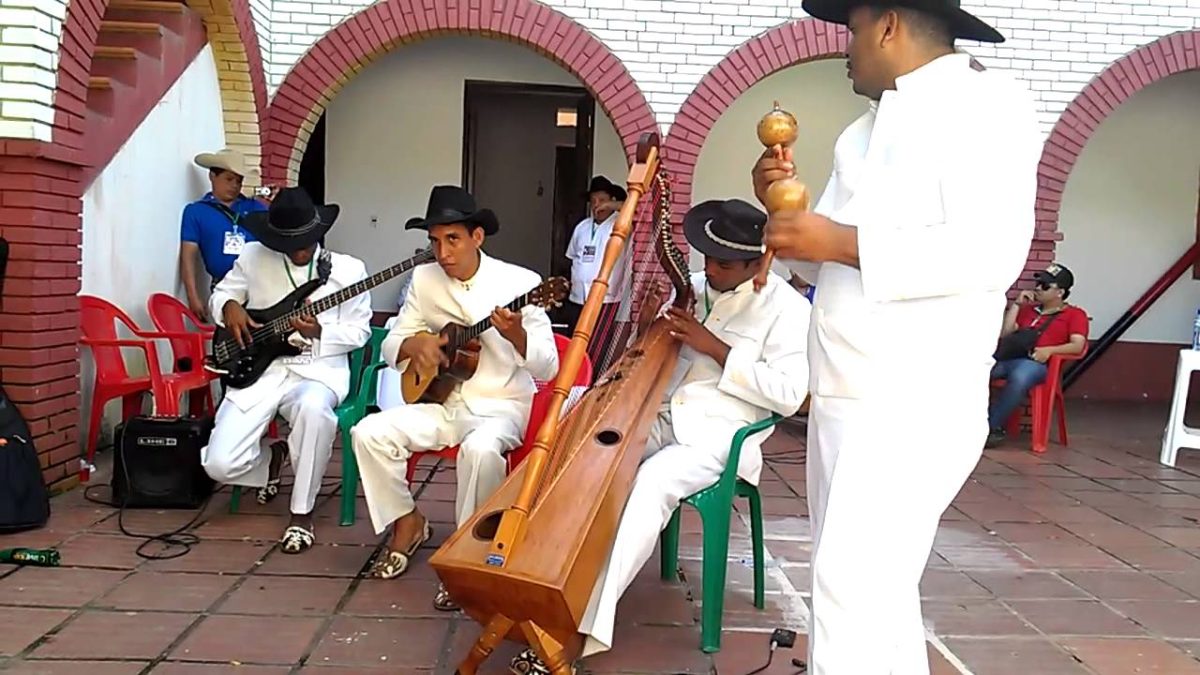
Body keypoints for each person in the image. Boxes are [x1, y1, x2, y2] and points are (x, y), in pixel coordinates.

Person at [752, 1, 1042, 672]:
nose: (845, 47)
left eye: (851, 30)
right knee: (870, 597)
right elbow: (821, 251)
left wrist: (842, 242)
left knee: (851, 588)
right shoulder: (862, 131)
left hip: (910, 398)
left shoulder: (986, 106)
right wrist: (782, 210)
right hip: (847, 394)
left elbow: (991, 252)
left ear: (887, 24)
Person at [508, 199, 811, 674]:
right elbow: (652, 355)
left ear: (761, 261)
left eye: (724, 263)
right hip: (659, 414)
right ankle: (535, 579)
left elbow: (791, 394)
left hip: (719, 435)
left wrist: (714, 347)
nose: (709, 269)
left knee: (649, 483)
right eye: (706, 257)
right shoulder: (690, 287)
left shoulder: (787, 309)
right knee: (579, 449)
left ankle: (582, 628)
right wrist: (647, 324)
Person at [350, 185, 559, 611]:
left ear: (477, 237)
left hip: (499, 409)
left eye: (453, 239)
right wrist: (415, 348)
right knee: (367, 431)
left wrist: (516, 333)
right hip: (441, 402)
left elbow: (548, 368)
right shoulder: (424, 279)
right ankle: (408, 522)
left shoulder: (522, 283)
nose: (442, 252)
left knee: (481, 450)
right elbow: (394, 341)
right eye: (434, 241)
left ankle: (466, 559)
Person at [201, 187, 372, 554]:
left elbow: (359, 333)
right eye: (290, 243)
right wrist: (228, 305)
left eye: (307, 242)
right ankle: (274, 459)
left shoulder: (348, 270)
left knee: (314, 411)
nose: (300, 250)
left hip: (317, 370)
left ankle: (301, 512)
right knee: (218, 464)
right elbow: (220, 295)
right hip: (260, 371)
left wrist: (320, 332)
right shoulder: (252, 256)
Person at [987, 262, 1088, 446]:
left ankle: (991, 427)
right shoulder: (1029, 311)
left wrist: (1049, 350)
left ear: (1060, 292)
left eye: (1045, 285)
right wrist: (1017, 305)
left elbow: (1077, 345)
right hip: (1010, 358)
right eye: (1038, 284)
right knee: (979, 370)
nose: (1039, 289)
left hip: (1038, 365)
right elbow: (1005, 333)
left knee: (1021, 375)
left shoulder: (1075, 314)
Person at [179, 148, 272, 321]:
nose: (234, 186)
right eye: (229, 179)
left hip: (259, 285)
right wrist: (193, 297)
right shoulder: (196, 211)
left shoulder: (257, 208)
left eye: (239, 181)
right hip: (223, 285)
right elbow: (188, 256)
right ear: (213, 176)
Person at [560, 176, 629, 369]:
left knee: (598, 349)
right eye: (594, 200)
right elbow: (573, 256)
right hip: (577, 299)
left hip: (604, 300)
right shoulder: (582, 227)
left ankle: (592, 385)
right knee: (575, 347)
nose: (597, 205)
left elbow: (638, 209)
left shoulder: (620, 223)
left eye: (602, 200)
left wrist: (612, 205)